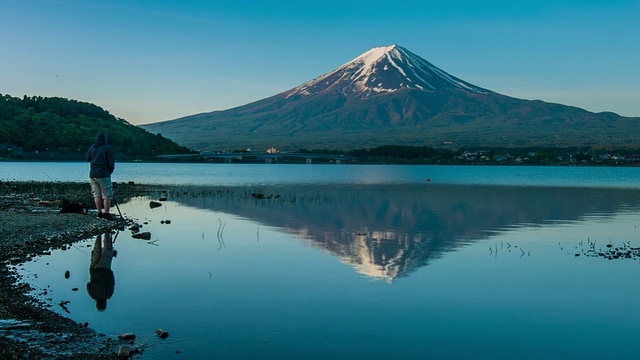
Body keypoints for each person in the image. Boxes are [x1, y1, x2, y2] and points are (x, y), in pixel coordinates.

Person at [85, 131, 116, 220]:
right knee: (107, 195)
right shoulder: (107, 148)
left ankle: (99, 213)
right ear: (105, 138)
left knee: (96, 194)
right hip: (104, 174)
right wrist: (110, 171)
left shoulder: (92, 147)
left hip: (93, 174)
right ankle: (106, 214)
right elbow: (111, 162)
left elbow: (87, 159)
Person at [86, 231, 116, 311]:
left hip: (104, 270)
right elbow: (88, 285)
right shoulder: (92, 295)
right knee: (96, 250)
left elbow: (111, 283)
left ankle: (107, 233)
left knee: (107, 250)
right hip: (93, 270)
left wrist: (111, 273)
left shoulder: (107, 295)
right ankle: (99, 234)